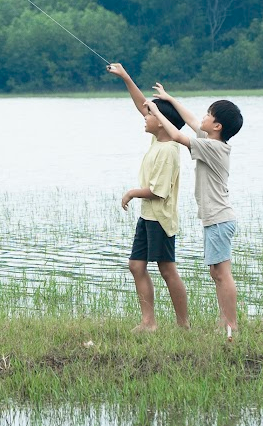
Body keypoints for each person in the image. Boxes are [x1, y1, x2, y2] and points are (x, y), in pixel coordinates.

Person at [146, 83, 243, 338]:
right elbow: (189, 121)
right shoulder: (209, 141)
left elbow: (178, 136)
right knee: (216, 272)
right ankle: (226, 321)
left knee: (222, 274)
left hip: (220, 219)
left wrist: (158, 111)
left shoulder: (213, 147)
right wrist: (169, 98)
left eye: (208, 115)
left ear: (218, 126)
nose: (203, 118)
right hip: (216, 220)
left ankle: (230, 324)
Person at [106, 62, 189, 332]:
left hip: (160, 220)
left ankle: (183, 326)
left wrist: (131, 192)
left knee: (167, 270)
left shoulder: (169, 150)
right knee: (136, 265)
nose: (145, 117)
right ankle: (148, 322)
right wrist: (126, 77)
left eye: (150, 115)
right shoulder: (158, 139)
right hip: (147, 216)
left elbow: (157, 191)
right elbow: (142, 103)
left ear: (162, 123)